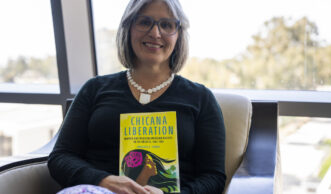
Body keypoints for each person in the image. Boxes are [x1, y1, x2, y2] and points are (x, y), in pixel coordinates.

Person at [48, 0, 226, 193]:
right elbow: (60, 157)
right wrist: (103, 181)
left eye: (166, 25)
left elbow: (213, 178)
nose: (155, 33)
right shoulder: (94, 89)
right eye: (144, 22)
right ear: (128, 28)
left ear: (179, 35)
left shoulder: (201, 98)